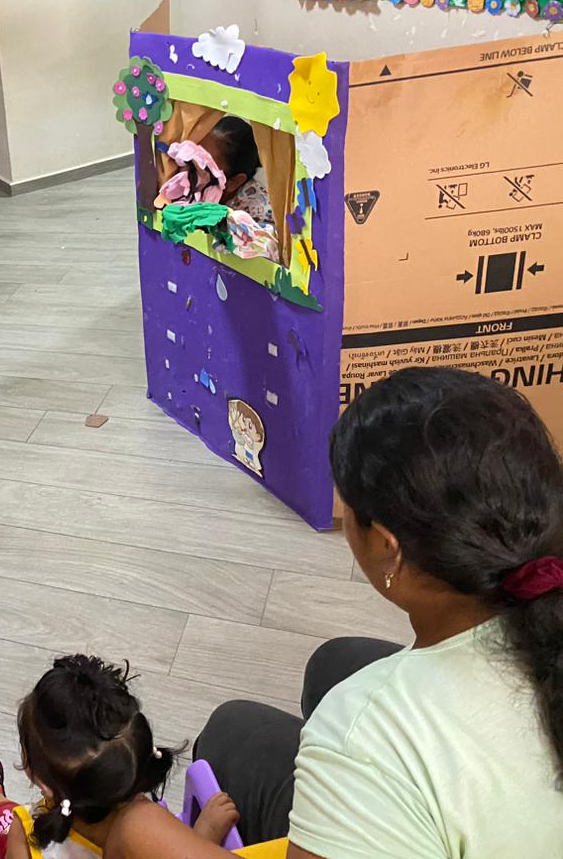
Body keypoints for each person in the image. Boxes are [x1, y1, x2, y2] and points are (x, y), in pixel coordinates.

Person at [194, 366, 563, 856]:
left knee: (231, 729)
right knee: (334, 661)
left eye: (346, 506)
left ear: (389, 549)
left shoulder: (360, 735)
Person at [0, 655, 239, 859]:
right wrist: (203, 835)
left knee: (1, 814)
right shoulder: (148, 819)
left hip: (30, 835)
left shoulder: (23, 833)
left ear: (38, 778)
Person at [156, 117, 278, 262]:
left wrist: (226, 223)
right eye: (192, 161)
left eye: (204, 169)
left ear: (233, 182)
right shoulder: (190, 185)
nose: (190, 175)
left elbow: (268, 250)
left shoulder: (258, 208)